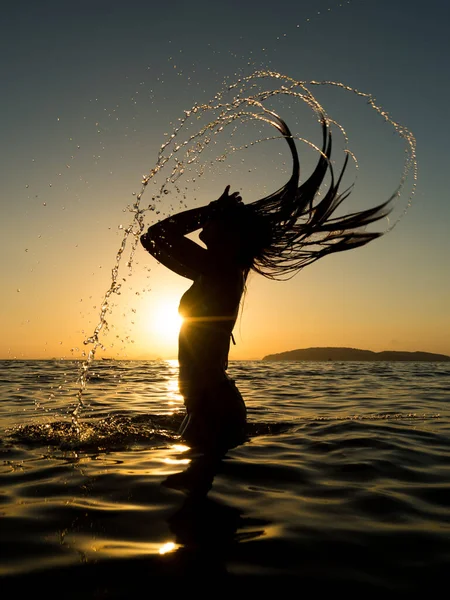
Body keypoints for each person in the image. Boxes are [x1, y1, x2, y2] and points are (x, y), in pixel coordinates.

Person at [141, 110, 393, 452]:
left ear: (228, 235)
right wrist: (215, 214)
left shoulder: (219, 269)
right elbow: (152, 240)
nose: (208, 225)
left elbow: (157, 234)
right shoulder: (215, 271)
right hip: (208, 403)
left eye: (216, 221)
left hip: (213, 404)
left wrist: (208, 211)